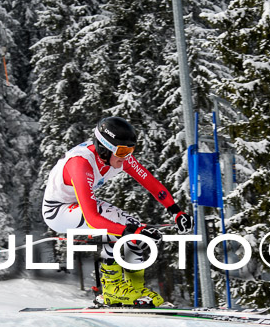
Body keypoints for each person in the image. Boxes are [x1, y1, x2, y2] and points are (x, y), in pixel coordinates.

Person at [42, 116, 193, 307]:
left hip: (82, 204)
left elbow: (149, 182)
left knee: (133, 227)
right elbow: (93, 219)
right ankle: (112, 288)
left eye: (131, 149)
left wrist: (176, 211)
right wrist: (131, 231)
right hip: (58, 211)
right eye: (123, 150)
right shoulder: (81, 164)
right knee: (119, 224)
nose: (127, 155)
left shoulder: (119, 158)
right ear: (104, 148)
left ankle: (134, 289)